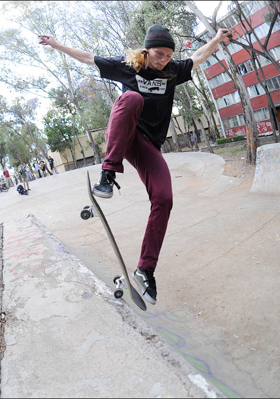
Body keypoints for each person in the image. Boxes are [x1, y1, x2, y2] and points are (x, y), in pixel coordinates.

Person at [39, 24, 232, 305]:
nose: (163, 59)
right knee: (131, 97)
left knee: (164, 198)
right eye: (158, 53)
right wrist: (57, 45)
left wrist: (215, 38)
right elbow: (88, 58)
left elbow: (199, 57)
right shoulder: (129, 66)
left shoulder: (173, 71)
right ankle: (107, 174)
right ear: (147, 49)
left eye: (168, 55)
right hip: (122, 132)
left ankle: (145, 270)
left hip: (147, 145)